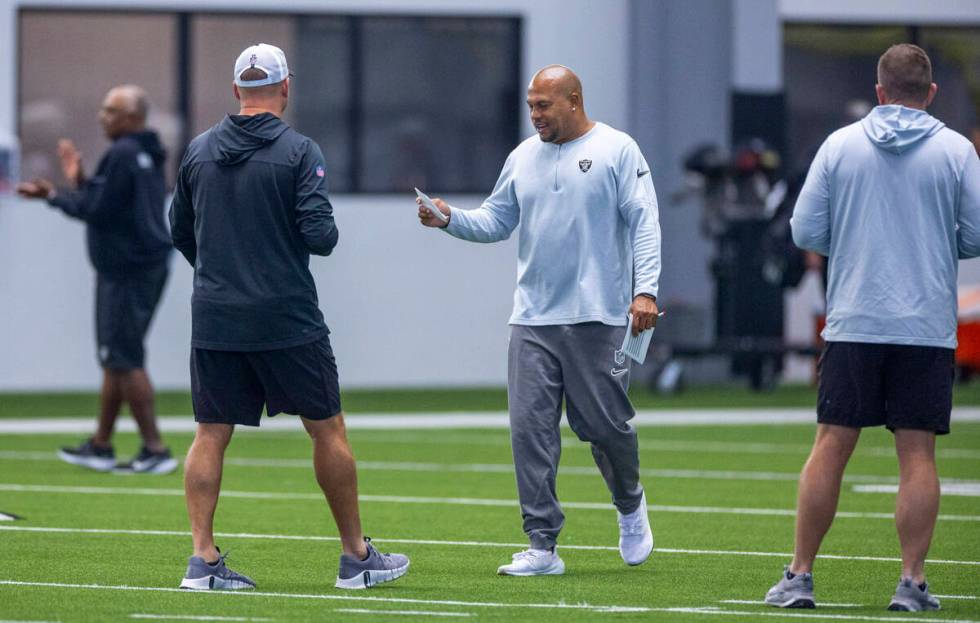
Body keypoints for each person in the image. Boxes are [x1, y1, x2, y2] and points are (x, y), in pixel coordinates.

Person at [169, 43, 408, 591]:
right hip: (286, 316)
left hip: (215, 315)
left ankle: (202, 561)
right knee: (326, 428)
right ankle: (356, 557)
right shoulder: (300, 151)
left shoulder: (198, 151)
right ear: (285, 88)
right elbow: (321, 237)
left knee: (210, 433)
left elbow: (180, 230)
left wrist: (219, 273)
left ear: (236, 91)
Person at [418, 65, 661, 575]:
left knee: (603, 427)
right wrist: (449, 219)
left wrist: (645, 292)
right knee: (530, 431)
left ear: (573, 100)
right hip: (532, 318)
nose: (534, 115)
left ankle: (629, 503)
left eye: (544, 105)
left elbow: (645, 224)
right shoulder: (522, 157)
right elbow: (497, 220)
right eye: (530, 105)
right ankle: (542, 545)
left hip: (599, 317)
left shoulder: (619, 150)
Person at [765, 44, 980, 612]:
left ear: (880, 91)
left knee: (831, 446)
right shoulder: (957, 150)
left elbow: (806, 230)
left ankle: (799, 575)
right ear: (930, 93)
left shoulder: (839, 145)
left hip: (855, 319)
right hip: (926, 325)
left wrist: (855, 242)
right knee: (918, 457)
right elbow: (977, 235)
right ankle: (911, 583)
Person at [17, 85, 176, 475]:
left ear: (133, 117)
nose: (103, 115)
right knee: (114, 359)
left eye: (112, 110)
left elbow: (95, 209)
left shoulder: (123, 153)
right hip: (141, 267)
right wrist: (82, 181)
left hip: (126, 272)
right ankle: (101, 445)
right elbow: (109, 202)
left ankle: (155, 449)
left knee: (125, 357)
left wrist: (54, 194)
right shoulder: (143, 152)